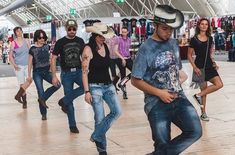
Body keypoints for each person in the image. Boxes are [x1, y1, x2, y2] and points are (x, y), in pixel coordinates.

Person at [131, 5, 202, 154]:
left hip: (179, 97)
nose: (169, 32)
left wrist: (180, 79)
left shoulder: (173, 43)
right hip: (156, 104)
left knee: (195, 131)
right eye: (164, 28)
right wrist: (159, 92)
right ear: (155, 25)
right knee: (162, 143)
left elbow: (175, 70)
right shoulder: (146, 49)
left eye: (171, 29)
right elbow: (135, 80)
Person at [82, 22, 122, 155]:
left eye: (104, 35)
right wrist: (87, 91)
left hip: (108, 85)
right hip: (95, 87)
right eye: (100, 35)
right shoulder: (88, 49)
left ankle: (96, 135)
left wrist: (113, 81)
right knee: (99, 118)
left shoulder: (105, 45)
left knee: (117, 112)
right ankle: (102, 151)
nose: (103, 38)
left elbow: (107, 66)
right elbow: (84, 72)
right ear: (94, 35)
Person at [51, 19, 85, 133]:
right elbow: (53, 58)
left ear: (76, 29)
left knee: (87, 87)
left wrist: (87, 68)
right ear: (66, 29)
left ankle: (64, 101)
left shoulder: (80, 41)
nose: (72, 31)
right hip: (66, 74)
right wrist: (54, 76)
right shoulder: (60, 42)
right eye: (69, 29)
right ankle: (72, 125)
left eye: (74, 29)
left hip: (79, 72)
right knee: (69, 102)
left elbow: (85, 56)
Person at [188, 18, 223, 121]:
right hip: (199, 67)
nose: (204, 26)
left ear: (208, 26)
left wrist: (213, 63)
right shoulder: (194, 39)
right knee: (204, 92)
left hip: (209, 66)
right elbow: (189, 55)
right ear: (199, 25)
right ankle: (203, 114)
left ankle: (198, 95)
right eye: (202, 24)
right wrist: (194, 67)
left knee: (219, 84)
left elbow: (210, 53)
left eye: (206, 24)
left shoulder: (210, 38)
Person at [28, 29, 61, 120]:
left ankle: (43, 98)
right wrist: (29, 75)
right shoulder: (32, 49)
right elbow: (30, 62)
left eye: (44, 37)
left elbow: (51, 59)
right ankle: (43, 114)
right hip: (37, 73)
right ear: (36, 38)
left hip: (47, 72)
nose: (42, 39)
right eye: (40, 37)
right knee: (40, 92)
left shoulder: (47, 46)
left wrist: (52, 70)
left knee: (58, 85)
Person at [9, 26, 32, 109]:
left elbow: (31, 52)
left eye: (20, 30)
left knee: (30, 80)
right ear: (15, 33)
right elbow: (10, 56)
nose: (19, 32)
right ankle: (24, 102)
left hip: (28, 65)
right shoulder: (13, 43)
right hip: (19, 66)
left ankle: (17, 95)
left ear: (22, 31)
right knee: (22, 84)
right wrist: (14, 65)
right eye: (17, 31)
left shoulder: (27, 41)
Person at [115, 26, 132, 99]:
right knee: (123, 75)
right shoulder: (118, 39)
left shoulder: (129, 39)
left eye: (125, 32)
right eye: (122, 32)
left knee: (134, 71)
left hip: (128, 58)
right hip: (120, 59)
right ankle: (125, 93)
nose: (123, 33)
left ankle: (118, 83)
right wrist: (122, 59)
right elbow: (115, 51)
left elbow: (127, 49)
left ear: (127, 32)